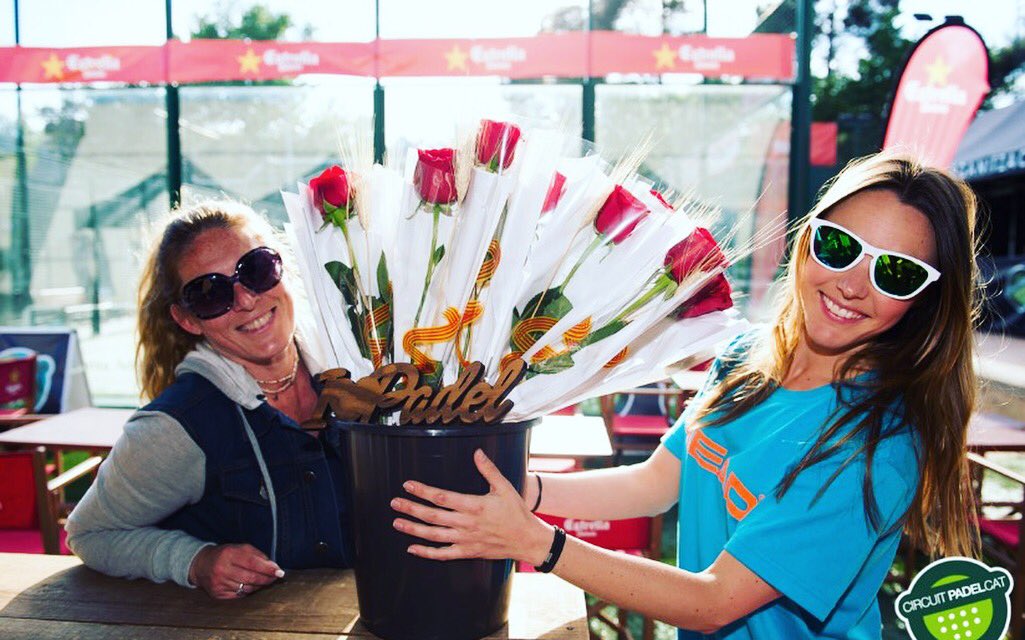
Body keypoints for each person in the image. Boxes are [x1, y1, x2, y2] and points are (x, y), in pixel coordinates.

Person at [388, 152, 981, 637]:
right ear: (809, 239)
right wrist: (525, 490)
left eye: (896, 273)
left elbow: (717, 600)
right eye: (840, 247)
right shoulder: (746, 358)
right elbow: (653, 485)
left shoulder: (876, 448)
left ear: (926, 298)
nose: (852, 284)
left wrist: (535, 541)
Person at [67, 200, 353, 600]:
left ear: (283, 267)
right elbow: (90, 533)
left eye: (256, 270)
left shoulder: (362, 364)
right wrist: (194, 561)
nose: (246, 300)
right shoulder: (175, 427)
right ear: (187, 319)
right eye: (209, 292)